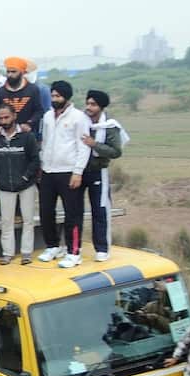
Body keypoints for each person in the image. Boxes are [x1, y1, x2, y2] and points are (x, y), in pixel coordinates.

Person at [36, 80, 93, 269]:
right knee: (46, 211)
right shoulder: (47, 116)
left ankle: (73, 252)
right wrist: (42, 164)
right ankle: (52, 246)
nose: (54, 99)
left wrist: (78, 172)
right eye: (52, 96)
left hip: (69, 172)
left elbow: (83, 147)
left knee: (72, 214)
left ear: (67, 97)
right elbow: (44, 143)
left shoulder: (79, 117)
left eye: (58, 96)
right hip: (48, 171)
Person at [0, 105, 42, 264]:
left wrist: (26, 177)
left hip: (26, 185)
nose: (4, 121)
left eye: (7, 117)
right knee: (6, 221)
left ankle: (26, 253)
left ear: (14, 116)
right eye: (1, 118)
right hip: (5, 186)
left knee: (28, 220)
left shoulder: (27, 136)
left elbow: (35, 160)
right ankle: (7, 253)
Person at [82, 90, 127, 260]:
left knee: (100, 211)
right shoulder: (81, 121)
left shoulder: (109, 125)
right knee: (74, 211)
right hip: (79, 171)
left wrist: (95, 145)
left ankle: (101, 248)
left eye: (93, 104)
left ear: (101, 107)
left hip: (98, 172)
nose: (89, 107)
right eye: (88, 103)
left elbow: (116, 151)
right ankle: (74, 247)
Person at [0, 57, 44, 135]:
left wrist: (29, 123)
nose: (10, 75)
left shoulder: (33, 90)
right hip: (6, 134)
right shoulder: (0, 92)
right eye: (8, 72)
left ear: (22, 73)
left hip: (27, 134)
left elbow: (39, 111)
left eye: (13, 72)